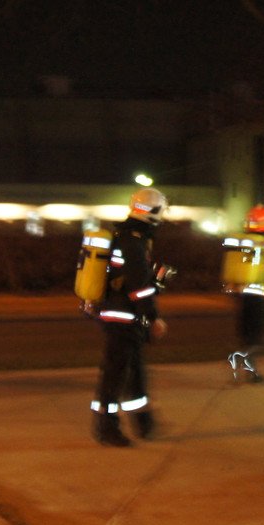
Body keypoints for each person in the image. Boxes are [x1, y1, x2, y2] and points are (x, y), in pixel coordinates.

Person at [90, 187, 170, 447]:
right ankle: (106, 428)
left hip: (121, 314)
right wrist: (154, 317)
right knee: (115, 375)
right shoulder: (134, 241)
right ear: (153, 212)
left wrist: (156, 277)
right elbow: (139, 287)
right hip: (122, 316)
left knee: (134, 372)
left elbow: (131, 277)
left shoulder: (127, 237)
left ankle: (143, 423)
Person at [220, 204, 264, 383]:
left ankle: (248, 370)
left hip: (242, 296)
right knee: (257, 337)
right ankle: (244, 364)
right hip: (260, 297)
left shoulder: (241, 242)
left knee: (247, 335)